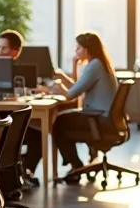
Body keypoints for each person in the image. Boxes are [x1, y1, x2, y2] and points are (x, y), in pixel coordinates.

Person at [41, 32, 119, 176]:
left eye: (78, 48)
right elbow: (77, 87)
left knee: (58, 124)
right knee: (62, 120)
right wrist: (73, 65)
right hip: (106, 117)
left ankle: (76, 166)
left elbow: (70, 95)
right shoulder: (99, 63)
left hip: (98, 118)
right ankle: (74, 164)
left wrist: (56, 85)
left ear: (86, 49)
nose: (75, 51)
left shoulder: (94, 66)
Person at [0, 28, 43, 187]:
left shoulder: (22, 73)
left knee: (38, 135)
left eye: (4, 48)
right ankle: (18, 174)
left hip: (11, 123)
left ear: (15, 51)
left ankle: (25, 173)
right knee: (35, 136)